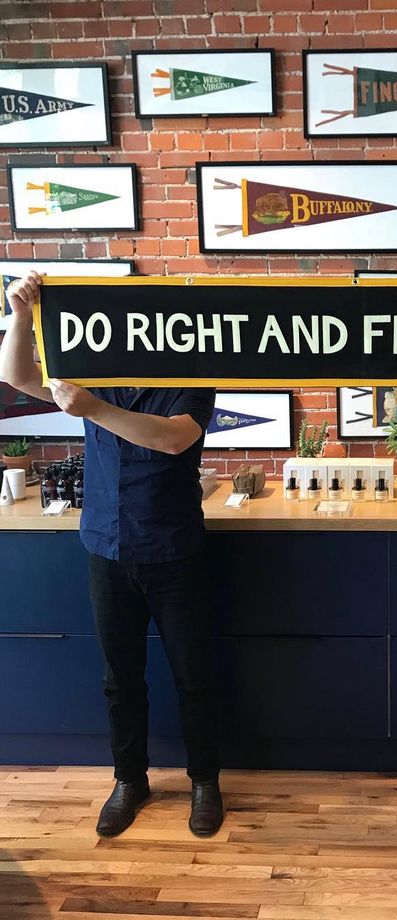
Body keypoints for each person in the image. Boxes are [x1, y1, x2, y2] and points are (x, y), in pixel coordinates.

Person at [0, 272, 223, 839]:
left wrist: (92, 408)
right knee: (119, 680)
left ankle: (204, 781)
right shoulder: (93, 365)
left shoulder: (192, 373)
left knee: (193, 677)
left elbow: (173, 438)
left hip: (174, 549)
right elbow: (16, 374)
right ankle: (130, 780)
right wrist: (21, 313)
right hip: (106, 546)